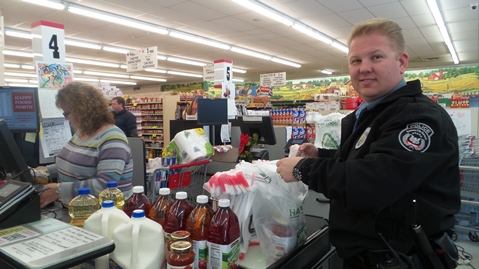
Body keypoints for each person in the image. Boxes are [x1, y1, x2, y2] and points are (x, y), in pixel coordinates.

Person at [276, 18, 460, 268]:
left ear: (402, 62)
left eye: (376, 57)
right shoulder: (375, 111)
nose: (364, 68)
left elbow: (374, 181)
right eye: (356, 60)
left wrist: (302, 169)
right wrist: (322, 155)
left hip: (399, 258)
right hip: (369, 254)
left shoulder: (418, 118)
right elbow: (366, 160)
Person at [38, 82, 133, 208]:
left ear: (82, 111)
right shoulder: (81, 132)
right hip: (77, 210)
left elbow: (104, 185)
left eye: (67, 113)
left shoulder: (113, 138)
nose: (66, 118)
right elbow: (74, 163)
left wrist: (58, 190)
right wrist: (45, 172)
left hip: (103, 215)